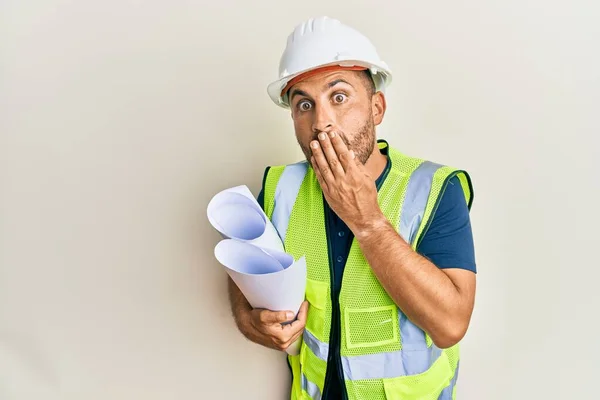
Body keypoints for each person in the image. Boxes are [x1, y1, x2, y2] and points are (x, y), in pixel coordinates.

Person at [227, 16, 477, 400]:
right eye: (304, 105)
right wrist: (248, 319)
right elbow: (244, 276)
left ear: (377, 108)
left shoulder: (435, 189)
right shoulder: (281, 189)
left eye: (339, 97)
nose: (321, 123)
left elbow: (450, 324)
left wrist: (368, 221)